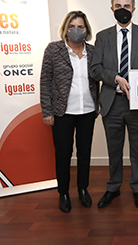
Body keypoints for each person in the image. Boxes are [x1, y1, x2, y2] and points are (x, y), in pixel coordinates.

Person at [90, 0, 138, 209]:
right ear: (112, 9)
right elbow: (95, 69)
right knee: (114, 149)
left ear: (133, 10)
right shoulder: (103, 36)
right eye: (118, 6)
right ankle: (113, 188)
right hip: (112, 102)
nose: (122, 10)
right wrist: (116, 78)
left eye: (126, 7)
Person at [40, 11, 99, 213]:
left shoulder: (93, 51)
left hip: (88, 110)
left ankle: (83, 189)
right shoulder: (54, 50)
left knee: (84, 153)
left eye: (80, 27)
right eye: (72, 26)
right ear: (66, 28)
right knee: (63, 154)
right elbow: (45, 81)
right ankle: (63, 193)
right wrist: (47, 111)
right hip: (62, 112)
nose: (76, 30)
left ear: (86, 29)